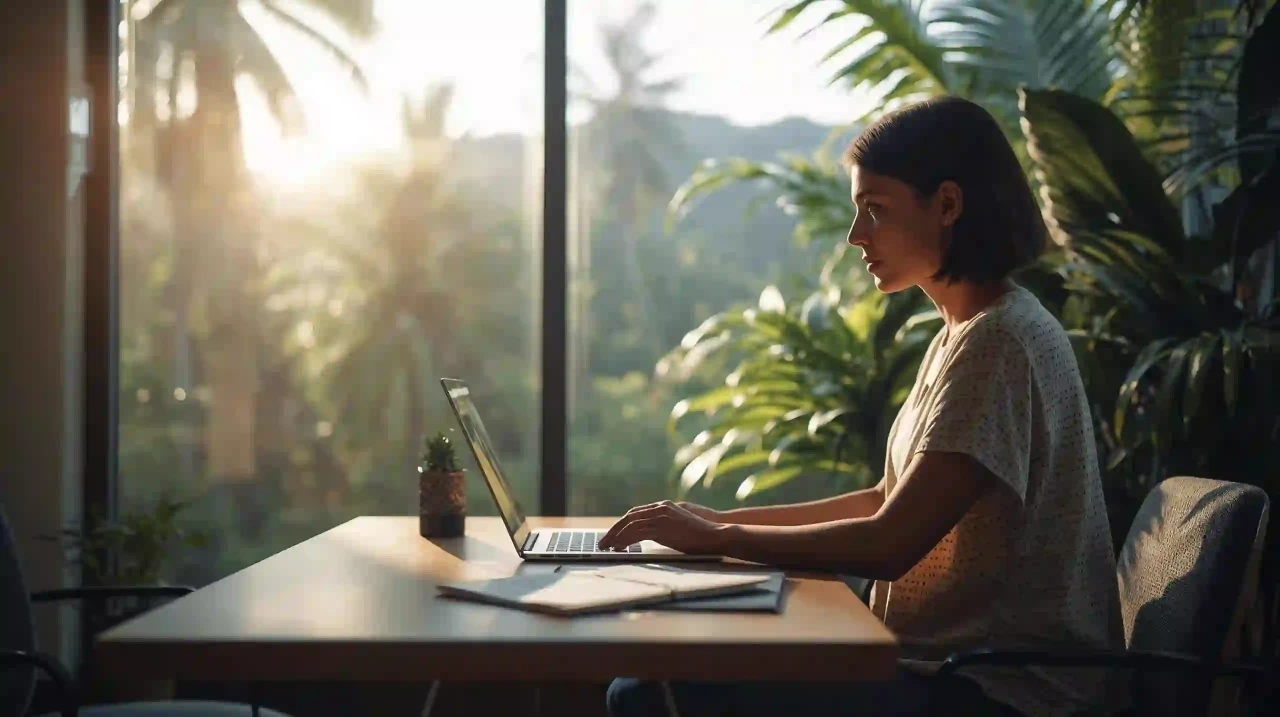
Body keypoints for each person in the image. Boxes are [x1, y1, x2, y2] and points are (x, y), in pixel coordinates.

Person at [599, 96, 1124, 717]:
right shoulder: (968, 330)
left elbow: (887, 544)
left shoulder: (999, 343)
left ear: (949, 205)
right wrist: (715, 523)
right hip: (952, 669)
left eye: (875, 210)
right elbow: (886, 499)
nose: (856, 236)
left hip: (998, 691)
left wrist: (722, 537)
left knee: (644, 692)